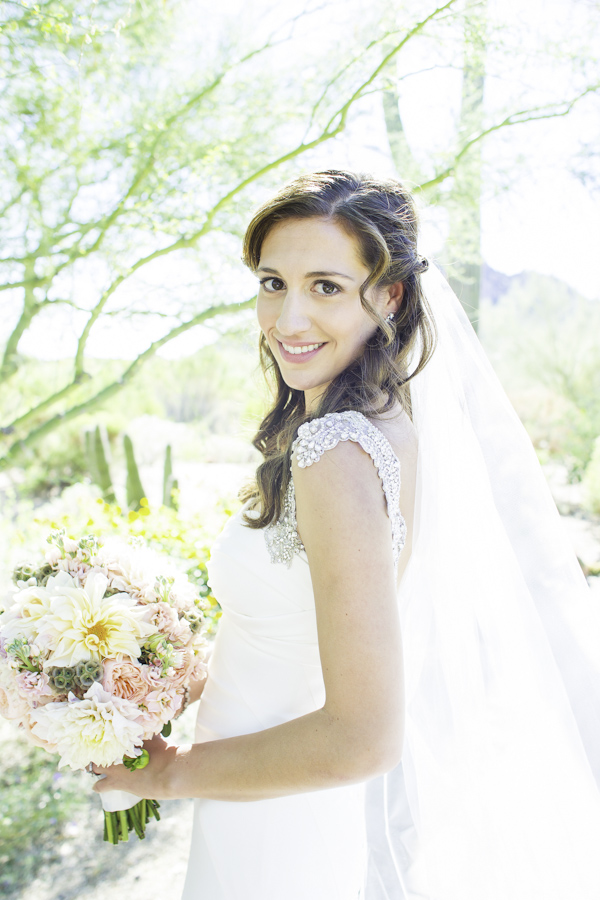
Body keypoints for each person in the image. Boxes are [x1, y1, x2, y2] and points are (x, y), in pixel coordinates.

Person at [93, 171, 600, 900]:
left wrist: (171, 773)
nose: (287, 318)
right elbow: (316, 624)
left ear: (389, 294)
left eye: (325, 286)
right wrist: (153, 678)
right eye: (273, 282)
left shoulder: (334, 449)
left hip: (280, 819)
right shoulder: (390, 423)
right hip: (274, 790)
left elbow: (364, 738)